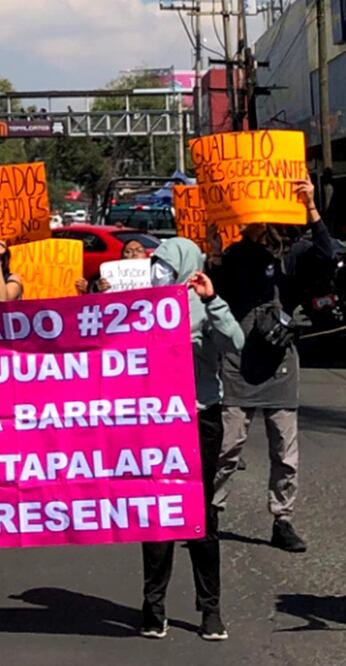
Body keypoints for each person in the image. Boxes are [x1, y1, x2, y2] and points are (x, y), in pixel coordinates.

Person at [211, 179, 333, 553]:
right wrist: (221, 245)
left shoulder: (293, 257)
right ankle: (209, 512)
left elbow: (327, 253)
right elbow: (213, 288)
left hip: (279, 366)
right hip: (238, 365)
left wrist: (311, 207)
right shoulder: (235, 256)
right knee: (228, 447)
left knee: (285, 452)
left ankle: (283, 519)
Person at [138, 237, 244, 641]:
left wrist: (212, 301)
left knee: (200, 513)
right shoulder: (141, 305)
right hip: (156, 420)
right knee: (156, 513)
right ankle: (153, 607)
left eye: (166, 265)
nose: (158, 272)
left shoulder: (204, 303)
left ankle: (210, 609)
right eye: (155, 265)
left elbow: (234, 343)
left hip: (199, 418)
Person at [76, 238, 146, 294]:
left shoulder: (151, 273)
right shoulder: (112, 274)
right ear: (122, 257)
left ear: (145, 255)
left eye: (139, 250)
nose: (134, 254)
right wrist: (93, 289)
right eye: (128, 252)